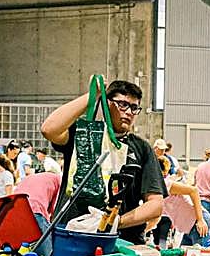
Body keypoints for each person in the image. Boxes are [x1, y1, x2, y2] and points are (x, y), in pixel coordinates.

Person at [41, 79, 165, 245]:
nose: (129, 112)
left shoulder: (142, 149)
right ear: (107, 104)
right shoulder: (85, 135)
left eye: (134, 108)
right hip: (74, 236)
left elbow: (156, 205)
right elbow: (49, 129)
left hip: (121, 243)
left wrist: (115, 221)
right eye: (122, 105)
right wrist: (94, 95)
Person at [153, 156, 208, 249]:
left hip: (197, 223)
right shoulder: (156, 190)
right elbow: (157, 217)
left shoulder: (166, 184)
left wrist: (200, 220)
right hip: (188, 228)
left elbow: (193, 191)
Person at [12, 170, 62, 256]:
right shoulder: (58, 180)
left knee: (19, 251)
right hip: (35, 209)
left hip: (14, 209)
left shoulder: (31, 177)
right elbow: (55, 211)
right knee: (45, 253)